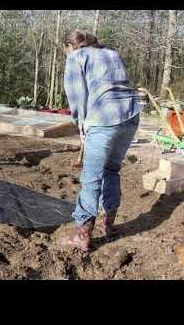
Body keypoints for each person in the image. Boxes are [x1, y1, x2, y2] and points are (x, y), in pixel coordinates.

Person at [58, 29, 143, 252]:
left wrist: (81, 125)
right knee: (112, 170)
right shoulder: (111, 53)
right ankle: (109, 224)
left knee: (91, 177)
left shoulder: (76, 57)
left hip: (104, 118)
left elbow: (77, 96)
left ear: (70, 46)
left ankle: (82, 235)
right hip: (131, 115)